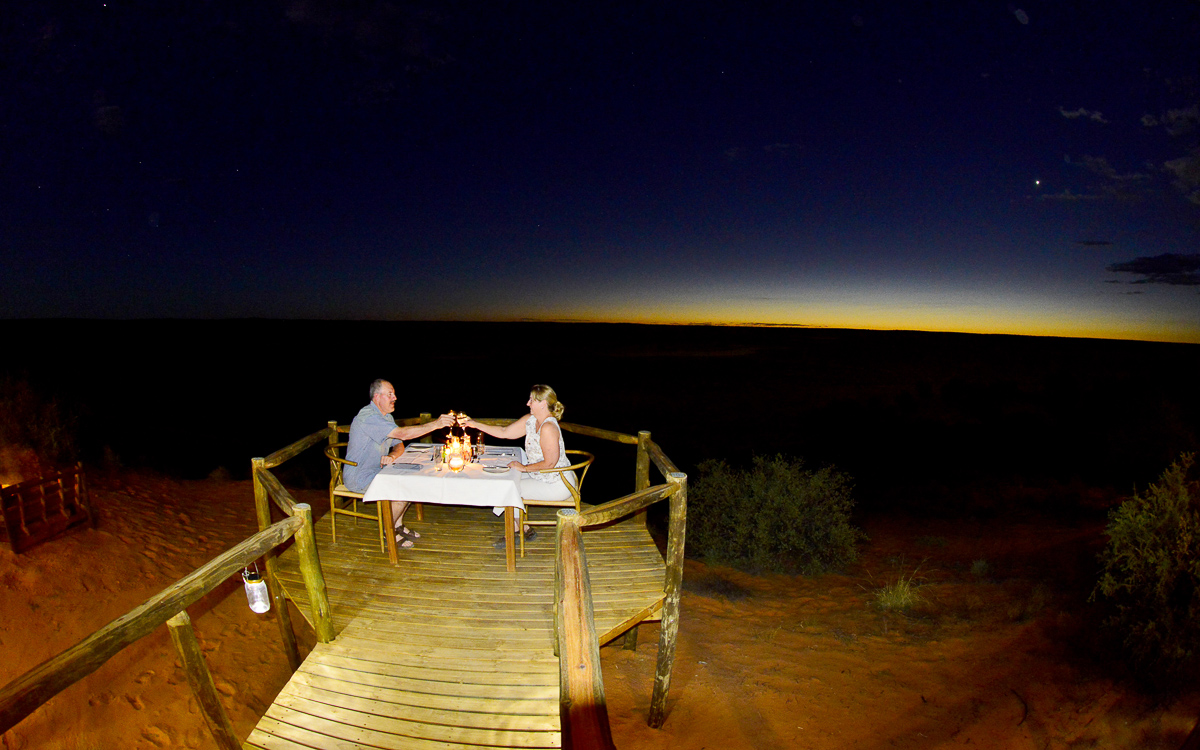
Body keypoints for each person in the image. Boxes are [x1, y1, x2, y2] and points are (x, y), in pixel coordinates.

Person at [345, 378, 454, 548]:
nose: (395, 398)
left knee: (412, 477)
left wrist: (393, 456)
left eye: (394, 394)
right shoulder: (368, 416)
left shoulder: (386, 417)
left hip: (379, 470)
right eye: (390, 394)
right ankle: (387, 532)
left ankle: (396, 525)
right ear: (376, 397)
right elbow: (402, 434)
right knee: (403, 487)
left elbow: (398, 444)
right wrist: (436, 424)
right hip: (359, 476)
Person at [463, 384, 574, 544]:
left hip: (557, 482)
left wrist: (524, 468)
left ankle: (516, 532)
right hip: (540, 476)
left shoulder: (548, 427)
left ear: (543, 403)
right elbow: (504, 433)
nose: (527, 403)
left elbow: (550, 463)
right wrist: (474, 424)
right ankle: (522, 529)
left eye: (531, 400)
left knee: (507, 489)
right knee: (503, 481)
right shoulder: (531, 420)